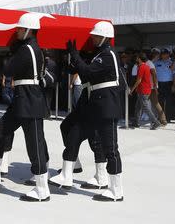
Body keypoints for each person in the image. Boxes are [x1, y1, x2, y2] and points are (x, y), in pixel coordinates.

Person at [0, 13, 51, 202]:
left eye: (19, 29)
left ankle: (42, 189)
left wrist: (11, 53)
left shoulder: (27, 50)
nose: (16, 31)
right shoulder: (33, 48)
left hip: (29, 100)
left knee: (35, 144)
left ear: (28, 31)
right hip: (23, 99)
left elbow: (8, 70)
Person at [53, 21, 123, 202]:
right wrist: (75, 62)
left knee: (111, 149)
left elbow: (89, 72)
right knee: (75, 132)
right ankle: (77, 174)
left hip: (106, 106)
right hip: (97, 105)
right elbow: (86, 74)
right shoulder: (101, 54)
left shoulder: (108, 55)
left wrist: (75, 55)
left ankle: (116, 191)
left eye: (96, 36)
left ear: (105, 37)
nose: (92, 38)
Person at [130, 53, 162, 130]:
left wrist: (132, 89)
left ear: (140, 59)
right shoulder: (147, 66)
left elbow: (139, 80)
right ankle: (136, 121)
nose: (136, 59)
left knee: (145, 107)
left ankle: (155, 122)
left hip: (143, 90)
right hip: (146, 89)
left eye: (137, 58)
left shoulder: (141, 67)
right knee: (138, 106)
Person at [154, 49, 175, 123]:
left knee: (169, 101)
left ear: (168, 54)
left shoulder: (171, 63)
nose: (164, 55)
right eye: (163, 54)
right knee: (160, 101)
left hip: (168, 84)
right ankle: (161, 117)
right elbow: (154, 74)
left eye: (166, 54)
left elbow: (174, 75)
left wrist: (173, 85)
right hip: (160, 84)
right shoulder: (156, 63)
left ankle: (168, 117)